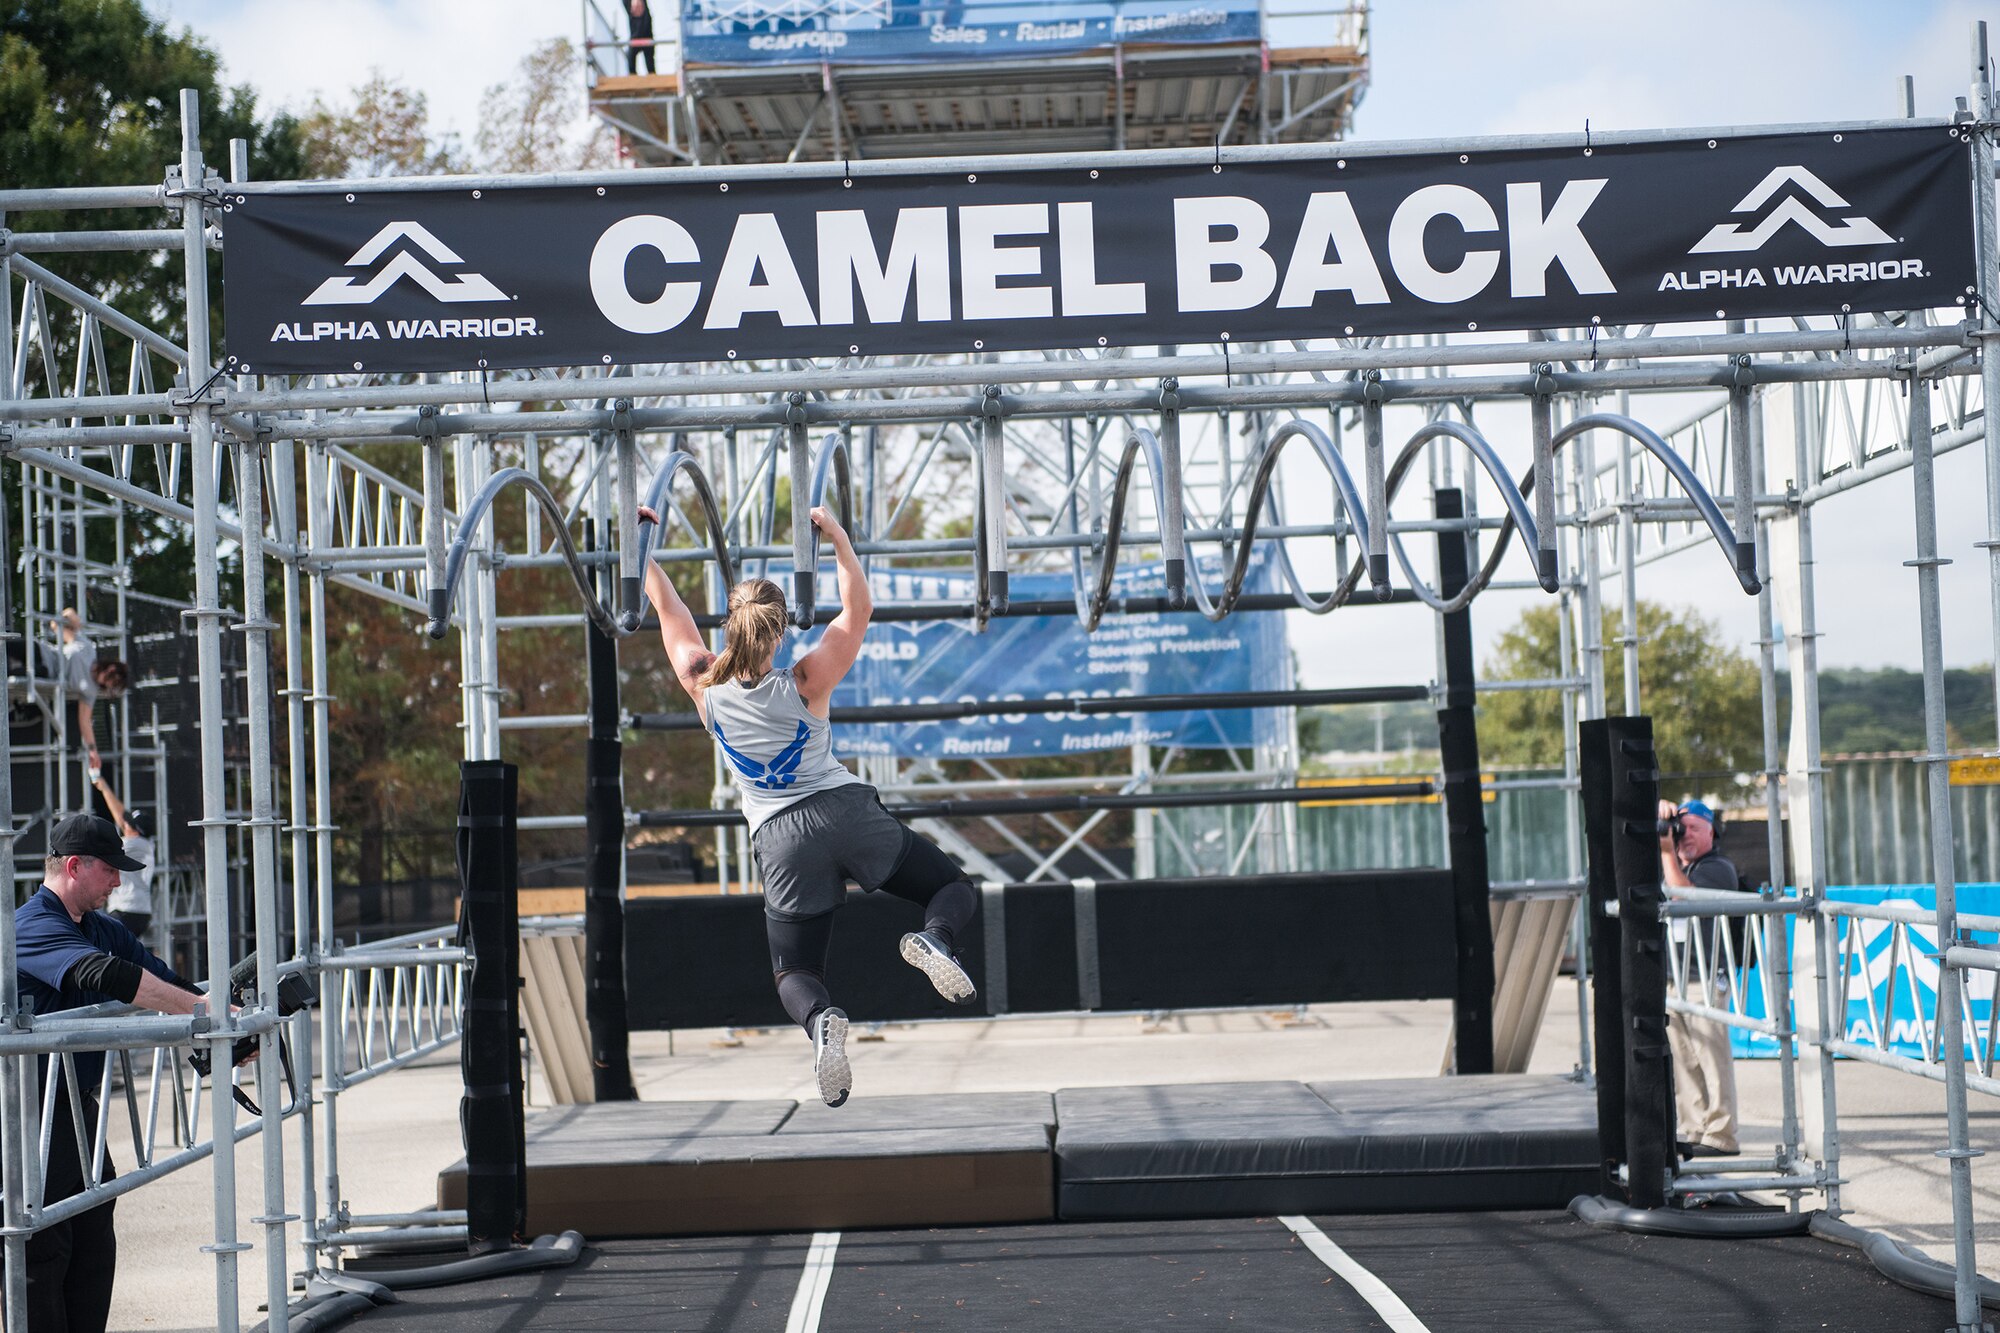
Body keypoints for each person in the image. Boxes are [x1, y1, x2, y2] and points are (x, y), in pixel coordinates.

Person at [638, 503, 979, 1108]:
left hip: (781, 838)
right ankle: (935, 941)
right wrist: (841, 543)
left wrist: (644, 540)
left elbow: (669, 609)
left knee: (795, 974)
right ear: (779, 634)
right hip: (846, 811)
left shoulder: (700, 683)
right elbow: (859, 610)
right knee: (951, 891)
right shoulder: (804, 682)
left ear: (729, 628)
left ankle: (822, 1023)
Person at [9, 813, 203, 1333]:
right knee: (42, 1250)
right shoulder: (29, 926)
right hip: (28, 1113)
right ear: (75, 867)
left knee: (94, 1242)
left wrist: (224, 1009)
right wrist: (205, 1013)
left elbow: (165, 979)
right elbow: (104, 974)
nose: (119, 881)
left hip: (74, 1106)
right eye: (111, 870)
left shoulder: (100, 927)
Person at [1659, 797, 1745, 1158]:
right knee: (1684, 1059)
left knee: (1712, 1056)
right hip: (1676, 978)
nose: (1685, 835)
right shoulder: (1674, 865)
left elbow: (1684, 898)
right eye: (1681, 828)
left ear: (1712, 831)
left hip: (1705, 977)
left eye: (1694, 827)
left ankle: (1722, 1134)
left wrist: (1666, 851)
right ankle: (1694, 1129)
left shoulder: (1717, 866)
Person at [22, 609, 132, 773]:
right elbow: (58, 625)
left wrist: (93, 750)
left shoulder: (91, 691)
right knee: (16, 645)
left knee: (20, 672)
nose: (106, 680)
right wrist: (72, 620)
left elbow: (85, 721)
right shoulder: (88, 649)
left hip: (45, 673)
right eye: (110, 676)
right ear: (109, 668)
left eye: (111, 683)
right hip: (43, 652)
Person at [91, 772, 156, 944]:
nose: (124, 825)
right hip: (138, 911)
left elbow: (103, 845)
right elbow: (121, 817)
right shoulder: (145, 843)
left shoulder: (133, 845)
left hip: (126, 909)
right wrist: (102, 784)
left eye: (129, 825)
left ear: (136, 831)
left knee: (98, 945)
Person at [627, 0, 656, 75]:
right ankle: (632, 78)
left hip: (647, 36)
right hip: (635, 37)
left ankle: (652, 78)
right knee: (631, 60)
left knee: (650, 66)